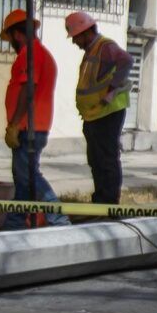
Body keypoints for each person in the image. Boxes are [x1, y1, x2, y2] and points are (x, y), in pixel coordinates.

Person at [66, 10, 133, 205]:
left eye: (75, 36)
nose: (74, 41)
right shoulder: (92, 52)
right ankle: (100, 201)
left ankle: (108, 204)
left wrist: (111, 91)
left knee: (106, 159)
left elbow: (127, 61)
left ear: (86, 32)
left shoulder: (105, 47)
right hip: (94, 114)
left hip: (108, 113)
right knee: (96, 160)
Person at [1, 9, 61, 221]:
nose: (10, 44)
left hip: (29, 127)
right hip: (31, 126)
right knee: (23, 179)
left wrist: (15, 124)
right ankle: (16, 222)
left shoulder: (31, 54)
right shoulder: (38, 53)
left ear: (17, 35)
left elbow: (28, 89)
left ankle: (58, 219)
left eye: (10, 38)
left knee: (29, 176)